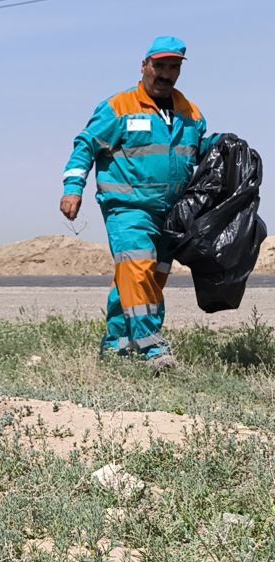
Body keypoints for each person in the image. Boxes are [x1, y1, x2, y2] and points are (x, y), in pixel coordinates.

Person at [61, 37, 212, 371]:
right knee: (137, 269)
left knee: (144, 279)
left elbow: (200, 154)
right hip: (127, 207)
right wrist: (73, 187)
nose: (166, 74)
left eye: (174, 67)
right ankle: (152, 347)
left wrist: (223, 149)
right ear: (144, 65)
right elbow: (85, 145)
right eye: (160, 66)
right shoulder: (119, 107)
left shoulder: (192, 113)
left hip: (171, 214)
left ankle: (115, 346)